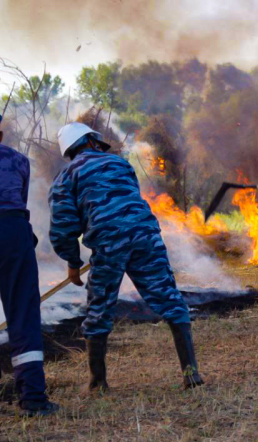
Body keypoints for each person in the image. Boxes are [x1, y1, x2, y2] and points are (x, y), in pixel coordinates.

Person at [49, 123, 204, 391]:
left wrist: (72, 263)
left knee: (99, 309)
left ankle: (98, 384)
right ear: (93, 142)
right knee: (169, 299)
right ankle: (191, 374)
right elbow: (129, 200)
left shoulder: (66, 177)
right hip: (146, 234)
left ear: (70, 151)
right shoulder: (120, 165)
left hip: (109, 242)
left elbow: (63, 228)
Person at [0, 115, 60, 416]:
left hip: (13, 228)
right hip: (12, 232)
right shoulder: (18, 160)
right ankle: (33, 399)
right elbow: (18, 204)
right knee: (23, 315)